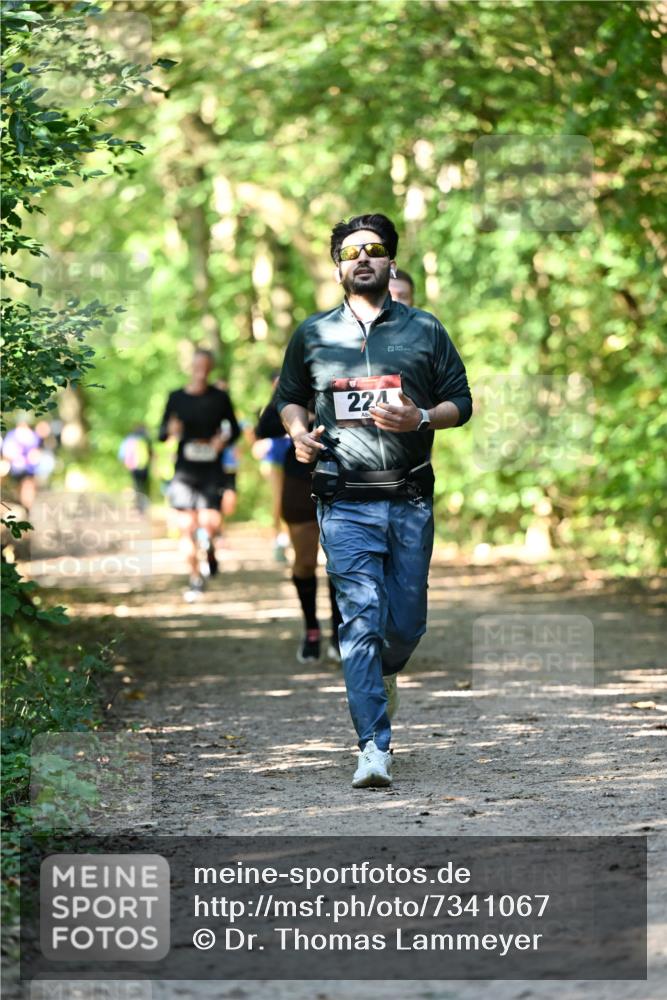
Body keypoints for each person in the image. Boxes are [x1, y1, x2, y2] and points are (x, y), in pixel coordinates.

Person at [276, 213, 472, 788]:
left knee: (406, 626)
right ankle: (372, 747)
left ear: (389, 262)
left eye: (375, 249)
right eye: (351, 251)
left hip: (408, 496)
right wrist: (297, 430)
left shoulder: (425, 330)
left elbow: (461, 401)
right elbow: (289, 399)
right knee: (358, 623)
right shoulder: (312, 335)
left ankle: (384, 674)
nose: (363, 258)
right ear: (338, 265)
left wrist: (422, 416)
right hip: (343, 499)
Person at [255, 392, 343, 664]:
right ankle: (312, 629)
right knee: (305, 563)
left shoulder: (351, 369)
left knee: (340, 562)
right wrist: (301, 421)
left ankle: (340, 634)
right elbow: (265, 427)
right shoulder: (294, 379)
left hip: (345, 475)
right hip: (300, 479)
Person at [158, 347, 240, 600]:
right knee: (186, 526)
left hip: (211, 468)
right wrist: (170, 430)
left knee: (210, 522)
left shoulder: (220, 397)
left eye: (206, 366)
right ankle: (195, 578)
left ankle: (210, 546)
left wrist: (222, 441)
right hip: (184, 469)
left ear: (211, 368)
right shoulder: (176, 397)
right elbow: (161, 434)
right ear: (191, 367)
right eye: (198, 366)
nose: (201, 371)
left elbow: (234, 429)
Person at [118, 424, 152, 512]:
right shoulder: (146, 438)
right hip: (145, 466)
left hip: (133, 466)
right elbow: (151, 453)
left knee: (137, 485)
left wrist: (124, 462)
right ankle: (144, 505)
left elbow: (122, 452)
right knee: (144, 485)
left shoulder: (129, 438)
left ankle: (139, 506)